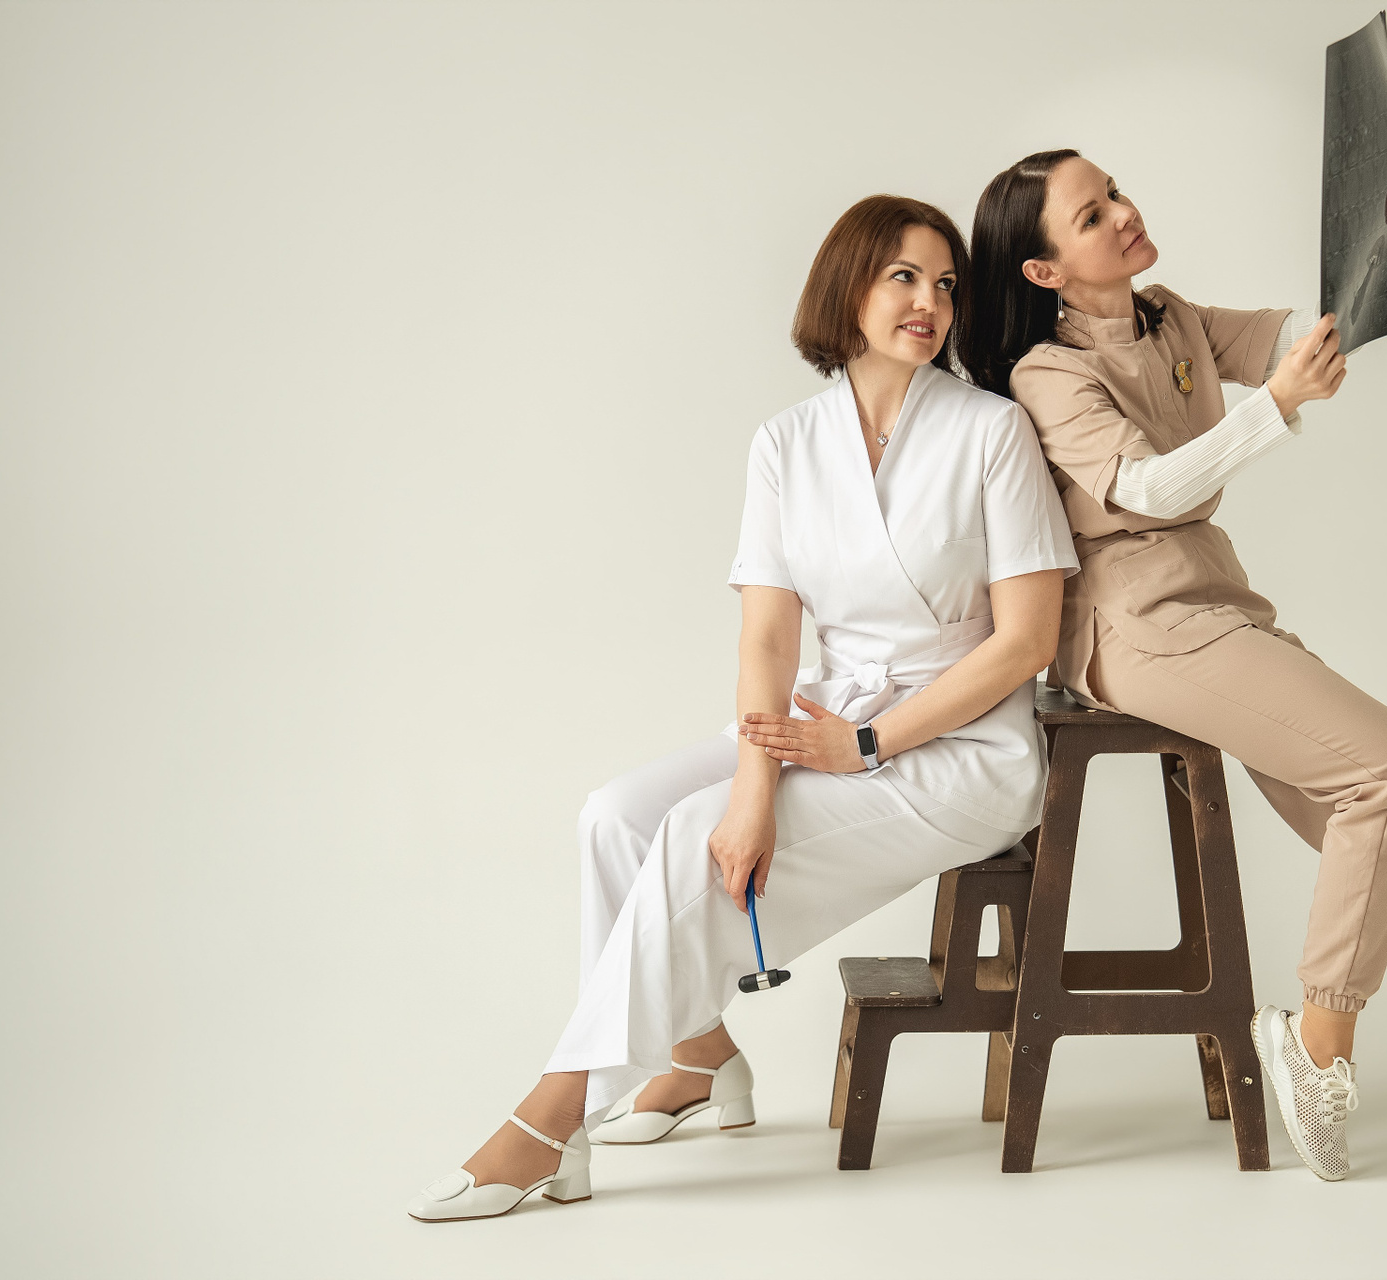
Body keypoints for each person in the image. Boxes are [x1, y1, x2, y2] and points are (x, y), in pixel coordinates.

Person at [959, 142, 1387, 1187]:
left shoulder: (1170, 316)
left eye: (1114, 191)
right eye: (1091, 216)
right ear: (1043, 270)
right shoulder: (1049, 372)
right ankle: (1318, 1040)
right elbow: (1148, 487)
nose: (1123, 212)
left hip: (1215, 597)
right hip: (1135, 624)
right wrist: (1274, 404)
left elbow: (1326, 331)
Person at [409, 194, 1078, 1221]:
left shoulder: (990, 430)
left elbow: (1026, 642)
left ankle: (551, 1119)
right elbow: (767, 640)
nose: (930, 302)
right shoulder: (786, 443)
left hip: (964, 750)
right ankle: (698, 1056)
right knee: (616, 816)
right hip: (825, 715)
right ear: (847, 287)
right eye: (903, 276)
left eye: (945, 284)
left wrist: (865, 743)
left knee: (687, 837)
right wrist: (760, 783)